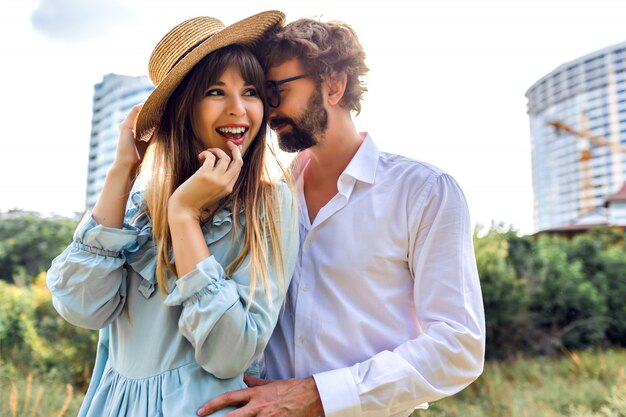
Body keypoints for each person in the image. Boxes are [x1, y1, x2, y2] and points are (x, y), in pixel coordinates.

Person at [198, 18, 485, 417]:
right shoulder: (262, 198)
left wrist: (318, 395)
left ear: (334, 84)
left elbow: (460, 345)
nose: (269, 108)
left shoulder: (424, 192)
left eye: (278, 90)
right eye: (263, 94)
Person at [46, 11, 298, 417]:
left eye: (250, 91)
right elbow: (80, 307)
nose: (240, 110)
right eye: (216, 92)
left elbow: (229, 353)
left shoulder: (268, 203)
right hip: (116, 405)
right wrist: (123, 170)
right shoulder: (143, 199)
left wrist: (183, 216)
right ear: (183, 108)